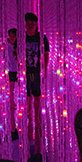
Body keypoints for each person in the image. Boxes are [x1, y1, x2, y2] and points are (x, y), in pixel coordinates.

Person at [24, 13, 49, 149]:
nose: (30, 25)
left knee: (37, 96)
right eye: (28, 23)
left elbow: (46, 54)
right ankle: (29, 120)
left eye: (32, 23)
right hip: (25, 72)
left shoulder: (41, 37)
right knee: (28, 96)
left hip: (37, 70)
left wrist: (44, 70)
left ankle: (38, 119)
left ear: (36, 24)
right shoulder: (22, 37)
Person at [5, 28, 20, 141]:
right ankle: (11, 101)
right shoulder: (6, 46)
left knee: (15, 86)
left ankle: (14, 101)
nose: (12, 38)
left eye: (13, 36)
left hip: (16, 69)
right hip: (10, 69)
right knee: (11, 86)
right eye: (10, 36)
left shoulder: (18, 46)